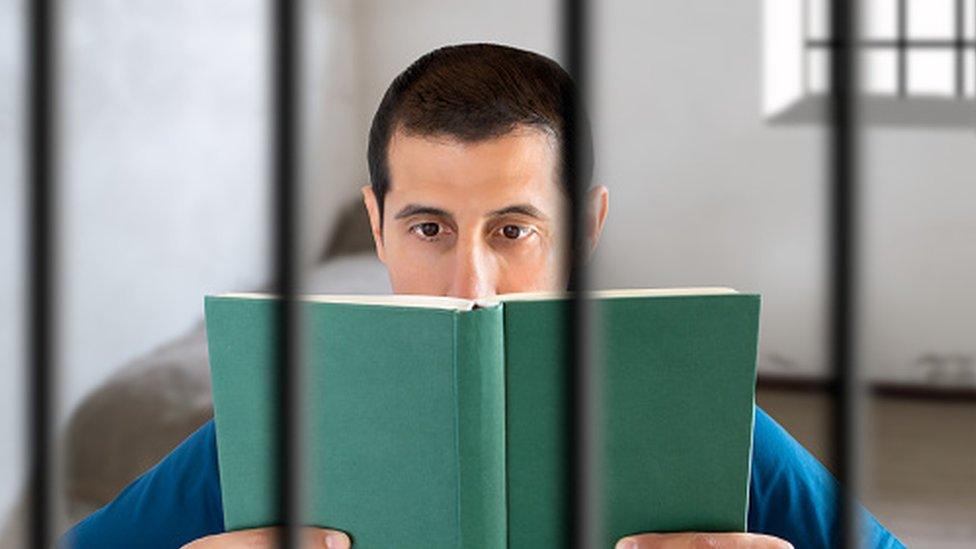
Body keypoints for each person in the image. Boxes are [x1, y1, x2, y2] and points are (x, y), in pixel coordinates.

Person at [62, 43, 903, 549]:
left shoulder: (700, 421)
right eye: (428, 228)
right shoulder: (280, 423)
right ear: (377, 223)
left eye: (513, 230)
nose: (471, 285)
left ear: (584, 229)